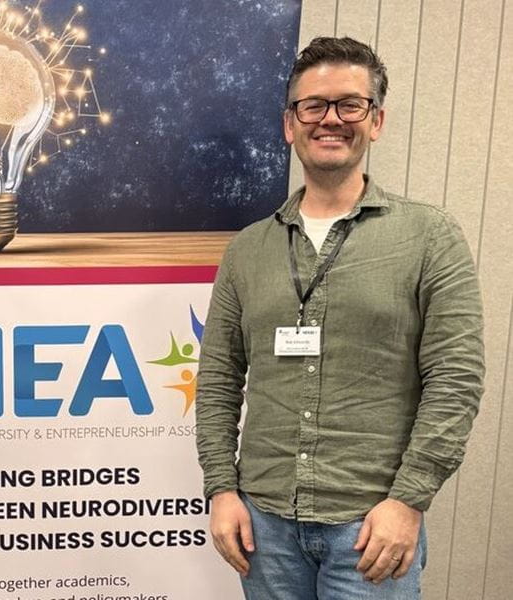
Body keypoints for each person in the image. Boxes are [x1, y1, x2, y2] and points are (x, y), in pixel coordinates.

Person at [195, 37, 483, 600]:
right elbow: (219, 381)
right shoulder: (248, 250)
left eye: (350, 104)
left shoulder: (429, 237)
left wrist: (409, 500)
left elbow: (456, 380)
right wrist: (221, 490)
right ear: (290, 124)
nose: (331, 119)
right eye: (313, 105)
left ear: (375, 121)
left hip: (371, 527)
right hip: (265, 527)